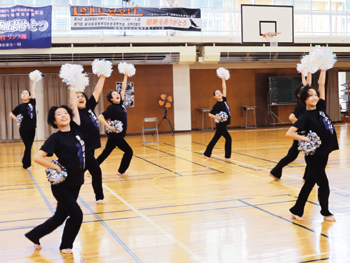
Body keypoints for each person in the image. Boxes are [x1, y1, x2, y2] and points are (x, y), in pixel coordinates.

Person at [25, 88, 85, 254]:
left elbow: (73, 106)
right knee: (77, 215)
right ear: (54, 121)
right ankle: (66, 245)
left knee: (60, 216)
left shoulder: (76, 129)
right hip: (62, 186)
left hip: (76, 182)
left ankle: (34, 235)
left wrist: (73, 87)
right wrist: (56, 167)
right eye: (59, 114)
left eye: (65, 113)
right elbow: (38, 157)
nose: (64, 115)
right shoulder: (55, 138)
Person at [286, 70, 338, 221]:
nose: (314, 97)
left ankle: (297, 209)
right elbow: (289, 133)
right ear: (303, 99)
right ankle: (325, 212)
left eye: (315, 94)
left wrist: (323, 69)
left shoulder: (321, 107)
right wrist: (306, 139)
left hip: (324, 152)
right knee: (324, 184)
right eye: (310, 95)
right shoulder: (304, 117)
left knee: (309, 183)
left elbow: (321, 83)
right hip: (314, 156)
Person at [269, 73, 311, 181]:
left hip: (305, 134)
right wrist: (302, 124)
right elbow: (291, 117)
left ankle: (275, 172)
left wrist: (305, 73)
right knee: (309, 157)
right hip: (301, 134)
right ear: (299, 95)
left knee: (292, 156)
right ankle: (306, 178)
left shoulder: (307, 104)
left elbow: (308, 86)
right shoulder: (300, 105)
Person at [77, 74, 106, 204]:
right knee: (96, 171)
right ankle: (99, 197)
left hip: (91, 146)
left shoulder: (89, 108)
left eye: (82, 96)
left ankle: (65, 195)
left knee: (78, 174)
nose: (80, 98)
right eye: (77, 97)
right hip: (83, 149)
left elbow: (97, 90)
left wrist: (103, 76)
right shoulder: (74, 113)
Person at [97, 73, 133, 175]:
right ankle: (121, 171)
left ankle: (91, 169)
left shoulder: (120, 104)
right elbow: (100, 117)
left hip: (117, 135)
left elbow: (123, 88)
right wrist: (109, 127)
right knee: (129, 151)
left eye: (117, 93)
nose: (117, 95)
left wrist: (126, 75)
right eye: (114, 95)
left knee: (106, 153)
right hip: (116, 136)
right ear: (111, 99)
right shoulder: (112, 108)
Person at [9, 82, 37, 169]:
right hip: (24, 129)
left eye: (26, 93)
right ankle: (26, 165)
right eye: (23, 93)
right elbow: (11, 114)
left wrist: (35, 81)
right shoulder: (20, 106)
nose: (24, 94)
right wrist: (17, 119)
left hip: (32, 128)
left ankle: (25, 160)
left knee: (29, 147)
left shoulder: (32, 102)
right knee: (28, 146)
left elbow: (33, 90)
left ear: (29, 96)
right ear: (21, 96)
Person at [203, 77, 232, 159]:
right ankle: (227, 156)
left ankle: (207, 153)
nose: (219, 93)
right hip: (221, 125)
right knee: (228, 138)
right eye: (217, 93)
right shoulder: (217, 105)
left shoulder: (224, 99)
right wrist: (218, 118)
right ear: (214, 97)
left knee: (215, 139)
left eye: (219, 92)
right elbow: (210, 114)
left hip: (224, 124)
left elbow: (224, 88)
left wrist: (223, 79)